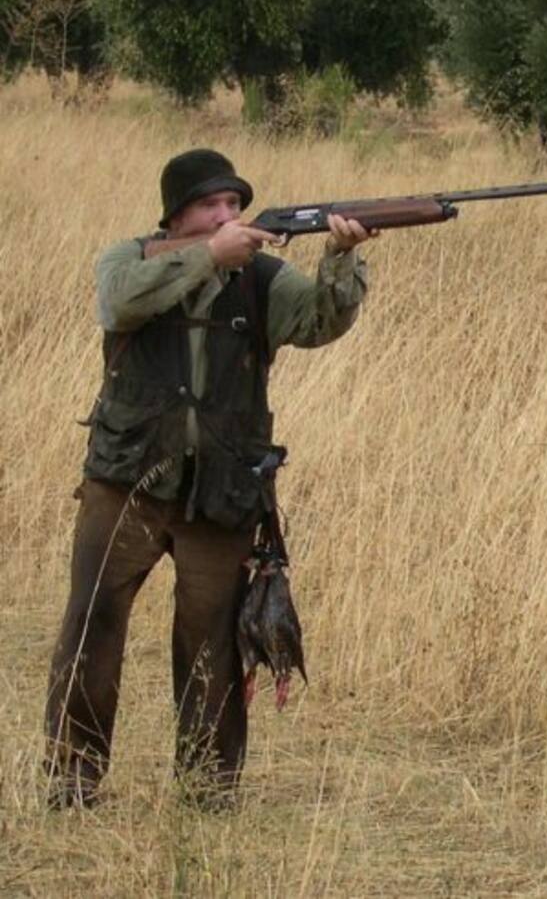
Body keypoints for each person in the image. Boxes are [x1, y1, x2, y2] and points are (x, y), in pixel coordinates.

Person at [44, 148, 376, 809]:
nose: (228, 216)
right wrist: (206, 257)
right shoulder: (126, 259)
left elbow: (317, 322)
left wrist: (340, 259)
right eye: (210, 205)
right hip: (127, 477)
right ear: (176, 214)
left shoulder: (260, 278)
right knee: (92, 623)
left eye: (234, 205)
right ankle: (73, 777)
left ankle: (207, 787)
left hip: (223, 486)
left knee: (213, 640)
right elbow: (118, 305)